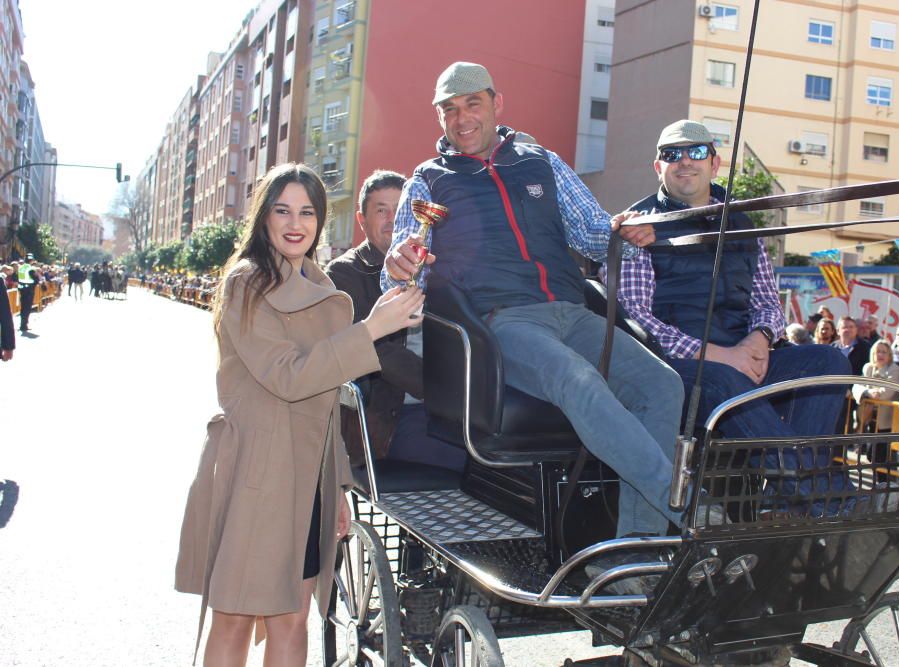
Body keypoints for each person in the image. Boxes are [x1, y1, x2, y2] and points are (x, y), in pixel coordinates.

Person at [382, 62, 688, 542]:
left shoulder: (540, 161)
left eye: (472, 104)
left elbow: (591, 234)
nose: (461, 118)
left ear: (496, 104)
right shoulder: (428, 180)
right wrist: (399, 263)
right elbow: (401, 266)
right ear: (439, 118)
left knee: (663, 384)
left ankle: (637, 550)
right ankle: (686, 506)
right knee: (576, 378)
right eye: (449, 110)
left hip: (573, 312)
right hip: (501, 323)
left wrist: (624, 231)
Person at [175, 163, 424, 667]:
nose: (296, 222)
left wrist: (335, 489)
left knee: (293, 616)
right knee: (237, 616)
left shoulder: (315, 281)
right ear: (263, 217)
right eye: (282, 209)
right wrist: (371, 330)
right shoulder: (247, 282)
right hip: (256, 470)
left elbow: (324, 399)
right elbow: (288, 377)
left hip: (306, 477)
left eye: (307, 212)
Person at [607, 118, 851, 512]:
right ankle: (815, 488)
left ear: (715, 163)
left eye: (696, 152)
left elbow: (769, 302)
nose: (684, 162)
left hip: (741, 354)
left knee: (828, 360)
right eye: (672, 155)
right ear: (658, 167)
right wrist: (723, 356)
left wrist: (757, 341)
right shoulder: (637, 228)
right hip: (676, 368)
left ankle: (785, 497)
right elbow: (637, 321)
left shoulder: (741, 223)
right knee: (721, 381)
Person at [326, 169, 465, 471]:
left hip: (445, 406)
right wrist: (446, 391)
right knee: (475, 463)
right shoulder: (344, 273)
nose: (391, 219)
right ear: (362, 221)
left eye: (398, 209)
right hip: (390, 416)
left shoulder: (429, 265)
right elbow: (380, 352)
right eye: (381, 211)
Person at [852, 340, 899, 432]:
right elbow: (856, 386)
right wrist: (868, 392)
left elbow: (886, 392)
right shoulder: (868, 367)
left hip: (885, 420)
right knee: (863, 445)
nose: (880, 355)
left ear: (889, 355)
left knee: (881, 446)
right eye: (877, 352)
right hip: (865, 417)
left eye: (884, 352)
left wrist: (873, 394)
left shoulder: (895, 370)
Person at [16, 254, 39, 334]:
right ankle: (24, 325)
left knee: (23, 307)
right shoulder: (30, 268)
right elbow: (36, 279)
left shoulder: (21, 267)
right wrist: (34, 284)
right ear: (32, 260)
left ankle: (22, 324)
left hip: (22, 289)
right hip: (29, 290)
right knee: (27, 308)